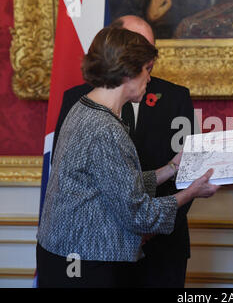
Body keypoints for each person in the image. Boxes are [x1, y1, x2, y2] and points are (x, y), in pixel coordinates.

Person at [36, 27, 220, 288]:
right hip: (83, 261)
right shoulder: (105, 128)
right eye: (146, 68)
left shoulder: (84, 108)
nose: (149, 77)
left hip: (66, 254)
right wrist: (191, 192)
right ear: (127, 72)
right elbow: (139, 215)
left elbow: (115, 183)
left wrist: (170, 167)